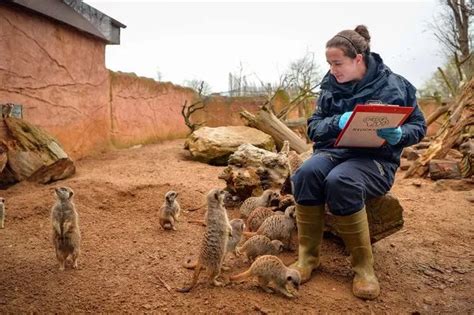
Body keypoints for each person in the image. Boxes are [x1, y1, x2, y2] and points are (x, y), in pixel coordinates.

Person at [290, 25, 426, 300]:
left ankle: (364, 269)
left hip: (376, 159)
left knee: (341, 180)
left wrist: (400, 135)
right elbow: (313, 129)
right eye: (329, 63)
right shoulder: (329, 87)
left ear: (358, 59)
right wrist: (336, 122)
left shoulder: (397, 86)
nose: (333, 69)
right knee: (305, 173)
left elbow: (419, 127)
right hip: (334, 152)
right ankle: (308, 259)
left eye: (337, 63)